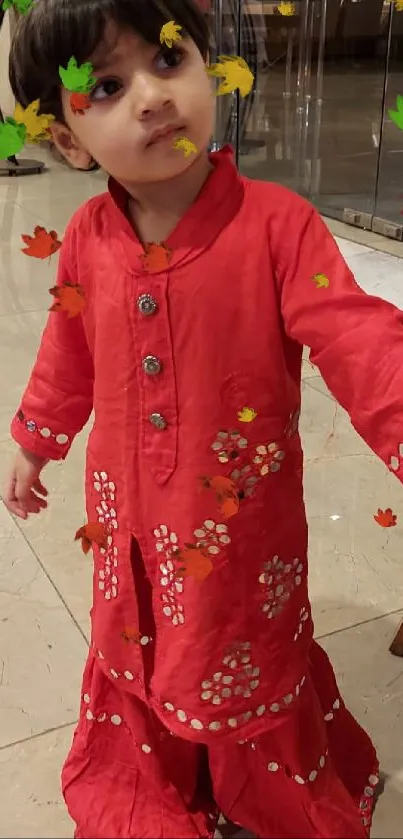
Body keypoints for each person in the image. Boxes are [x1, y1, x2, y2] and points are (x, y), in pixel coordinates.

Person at [3, 0, 400, 836]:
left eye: (169, 57)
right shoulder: (84, 235)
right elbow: (67, 350)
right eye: (106, 86)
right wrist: (37, 442)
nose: (152, 95)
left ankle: (259, 782)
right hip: (128, 520)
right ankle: (161, 774)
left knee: (235, 641)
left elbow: (357, 334)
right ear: (68, 140)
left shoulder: (278, 225)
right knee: (140, 635)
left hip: (240, 529)